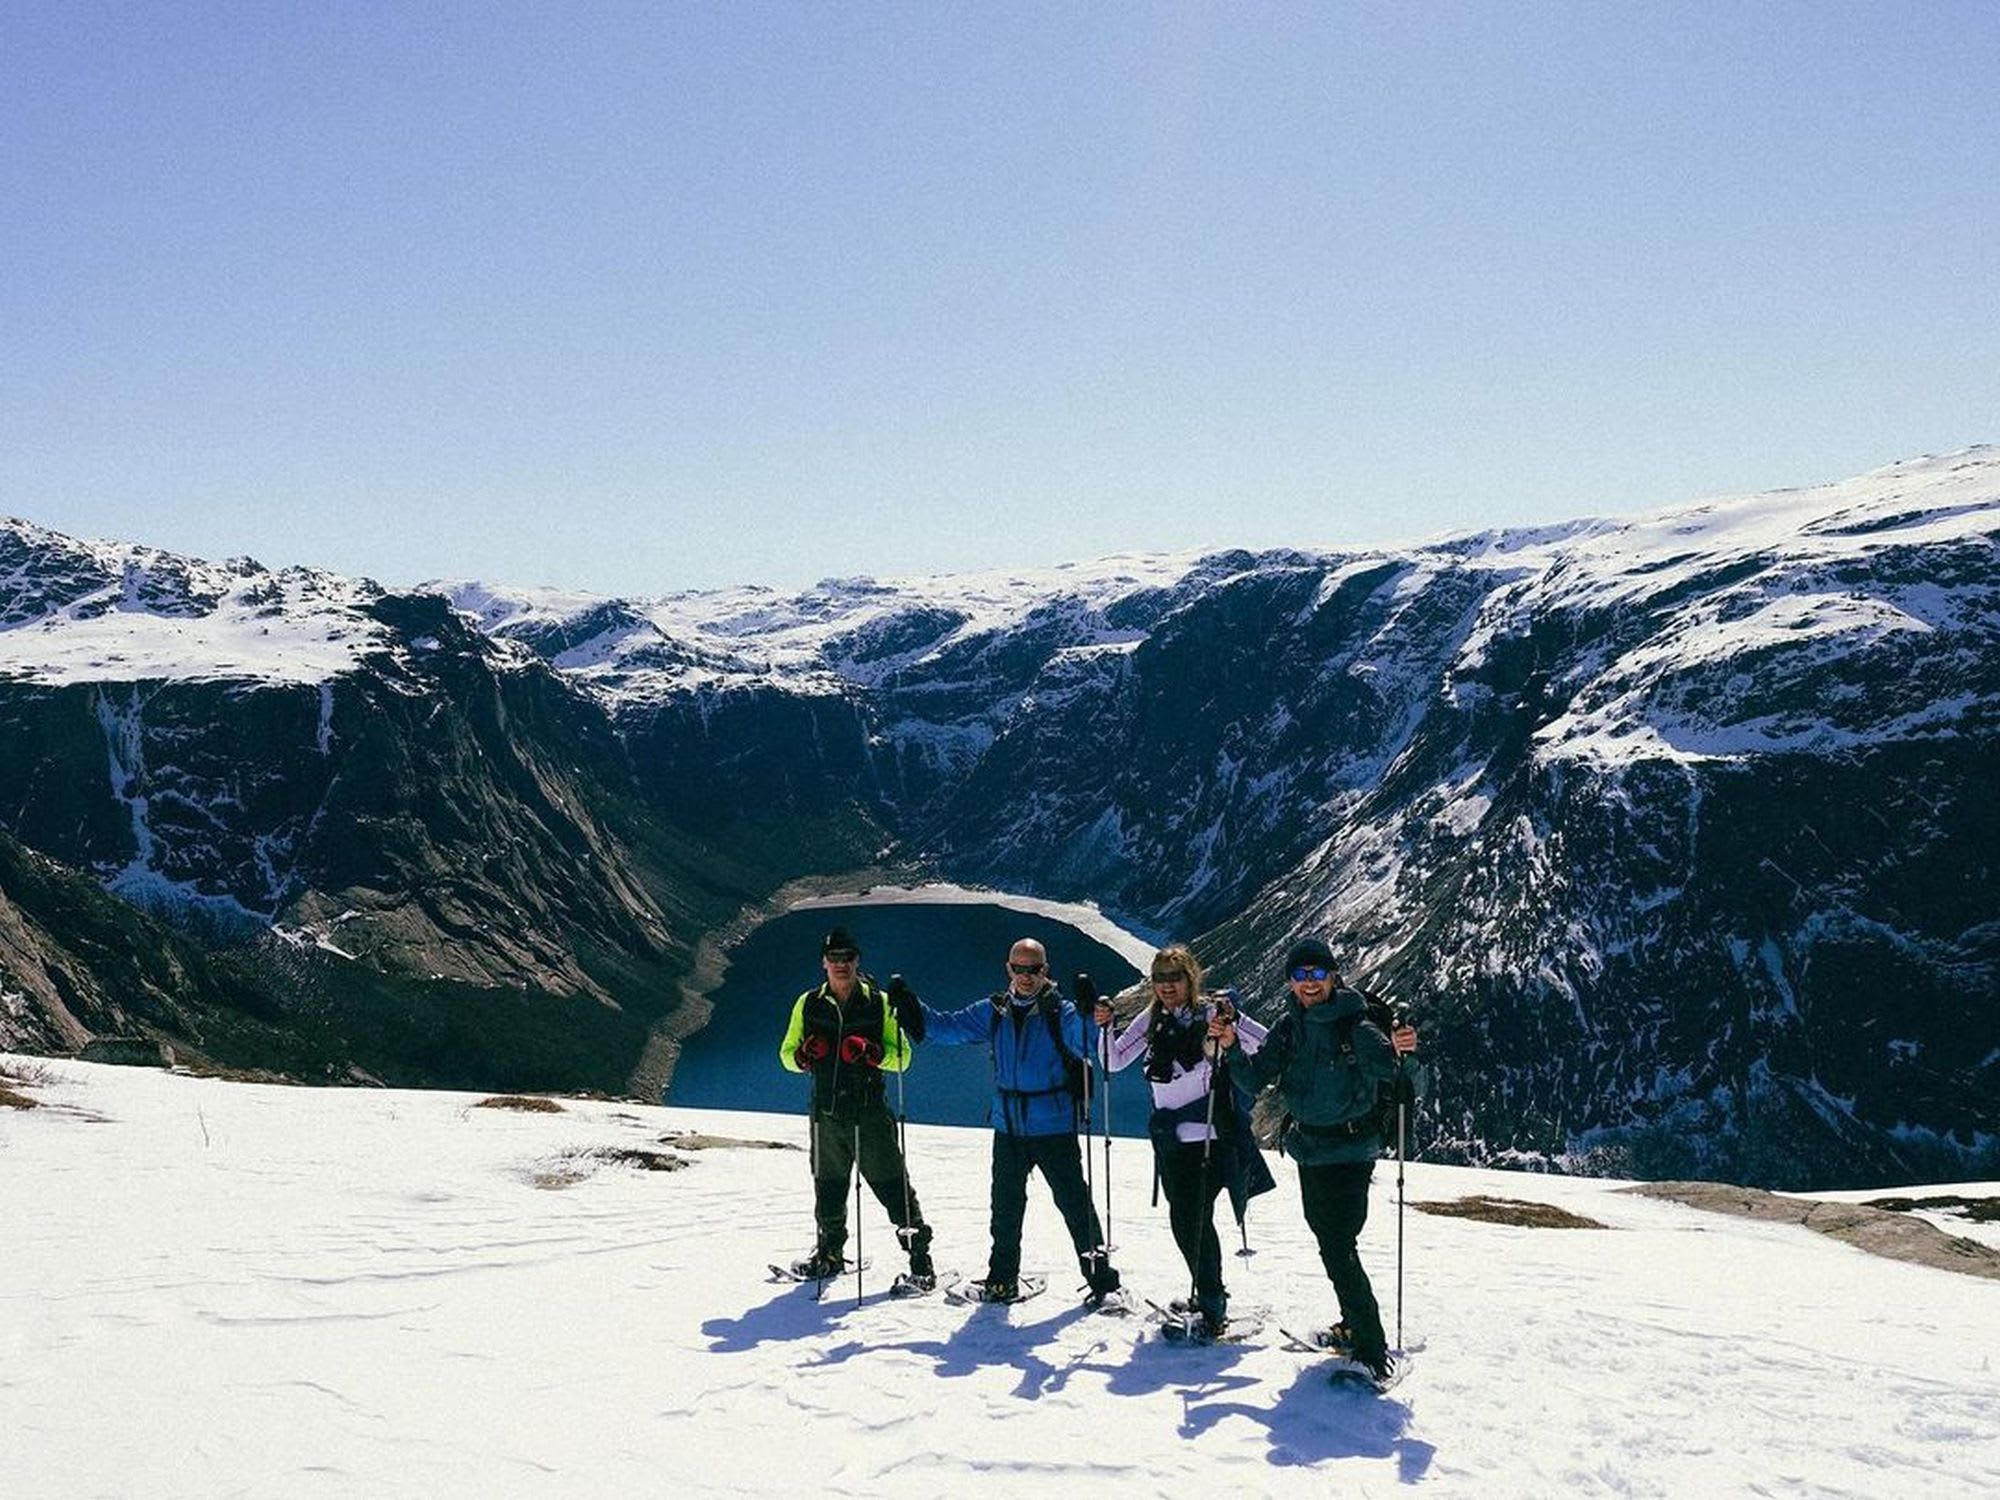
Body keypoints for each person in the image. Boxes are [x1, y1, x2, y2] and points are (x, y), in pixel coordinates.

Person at [1214, 936, 1419, 1383]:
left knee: (1338, 1246)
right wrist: (1230, 1045)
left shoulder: (1357, 1028)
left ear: (1333, 976)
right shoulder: (1289, 1029)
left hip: (1350, 1150)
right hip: (1310, 1151)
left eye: (1317, 973)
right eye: (1300, 975)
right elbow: (1253, 1078)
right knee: (1331, 1243)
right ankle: (1354, 1326)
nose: (1309, 983)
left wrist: (1407, 1051)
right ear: (1290, 982)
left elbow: (1401, 1078)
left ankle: (1370, 1348)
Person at [896, 937, 1121, 1306]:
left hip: (1053, 1125)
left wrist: (1087, 1014)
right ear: (1009, 969)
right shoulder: (995, 1011)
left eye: (1033, 969)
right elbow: (948, 1028)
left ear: (1045, 971)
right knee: (1004, 1210)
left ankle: (1104, 1285)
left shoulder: (1059, 1012)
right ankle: (1002, 1282)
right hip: (1009, 1127)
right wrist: (911, 1008)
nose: (1026, 976)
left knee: (1075, 1206)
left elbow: (1085, 1045)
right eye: (1019, 968)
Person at [1094, 943, 1274, 1338]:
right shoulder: (1153, 1017)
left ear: (1190, 979)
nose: (1166, 986)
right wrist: (1105, 1028)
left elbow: (1267, 1044)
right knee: (1189, 1221)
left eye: (1174, 978)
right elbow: (1112, 1061)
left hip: (1209, 1138)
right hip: (1172, 1143)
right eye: (1159, 979)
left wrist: (1232, 1022)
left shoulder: (1212, 1012)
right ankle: (1209, 1295)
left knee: (1190, 1221)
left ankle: (1211, 1305)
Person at [777, 926, 935, 1288]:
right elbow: (786, 1055)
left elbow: (903, 1060)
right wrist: (802, 1056)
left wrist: (873, 1054)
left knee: (893, 1186)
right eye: (834, 958)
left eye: (847, 957)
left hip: (869, 1114)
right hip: (825, 1114)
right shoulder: (808, 1003)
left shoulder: (879, 1003)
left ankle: (921, 1261)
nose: (841, 964)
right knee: (828, 1187)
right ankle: (829, 1253)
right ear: (824, 963)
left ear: (857, 960)